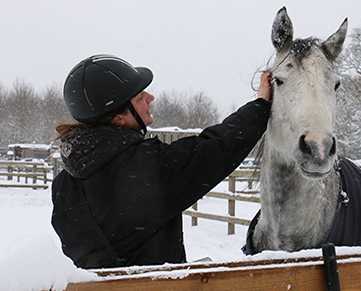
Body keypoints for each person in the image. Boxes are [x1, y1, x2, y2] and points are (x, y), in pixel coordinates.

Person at [51, 54, 272, 269]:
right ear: (119, 118)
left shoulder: (62, 187)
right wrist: (260, 106)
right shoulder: (144, 169)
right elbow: (215, 149)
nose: (150, 97)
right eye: (139, 98)